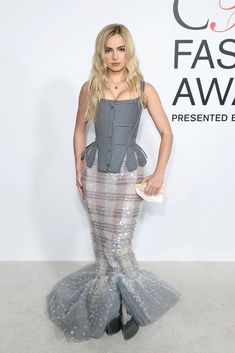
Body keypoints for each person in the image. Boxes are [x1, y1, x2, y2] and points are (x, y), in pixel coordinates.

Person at [46, 23, 181, 341]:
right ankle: (111, 304)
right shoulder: (89, 87)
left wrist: (159, 172)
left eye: (121, 48)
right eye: (108, 49)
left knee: (119, 245)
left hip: (127, 177)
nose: (115, 55)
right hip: (94, 176)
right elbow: (79, 129)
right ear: (101, 53)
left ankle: (130, 305)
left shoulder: (145, 88)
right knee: (102, 246)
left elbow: (167, 134)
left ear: (129, 50)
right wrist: (78, 168)